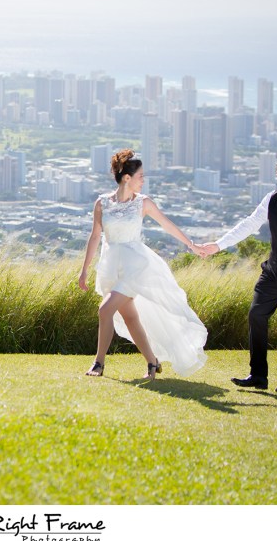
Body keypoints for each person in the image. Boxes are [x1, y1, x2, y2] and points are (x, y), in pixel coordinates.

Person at [195, 145, 277, 395]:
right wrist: (218, 245)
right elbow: (249, 224)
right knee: (256, 315)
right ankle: (258, 375)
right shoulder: (272, 198)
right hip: (272, 273)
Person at [78, 148, 208, 380]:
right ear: (127, 178)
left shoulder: (143, 203)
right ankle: (152, 362)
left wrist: (191, 245)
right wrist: (84, 270)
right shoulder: (102, 203)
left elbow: (167, 225)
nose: (143, 180)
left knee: (105, 310)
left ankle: (98, 363)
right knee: (131, 317)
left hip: (135, 267)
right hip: (111, 267)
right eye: (141, 176)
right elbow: (95, 236)